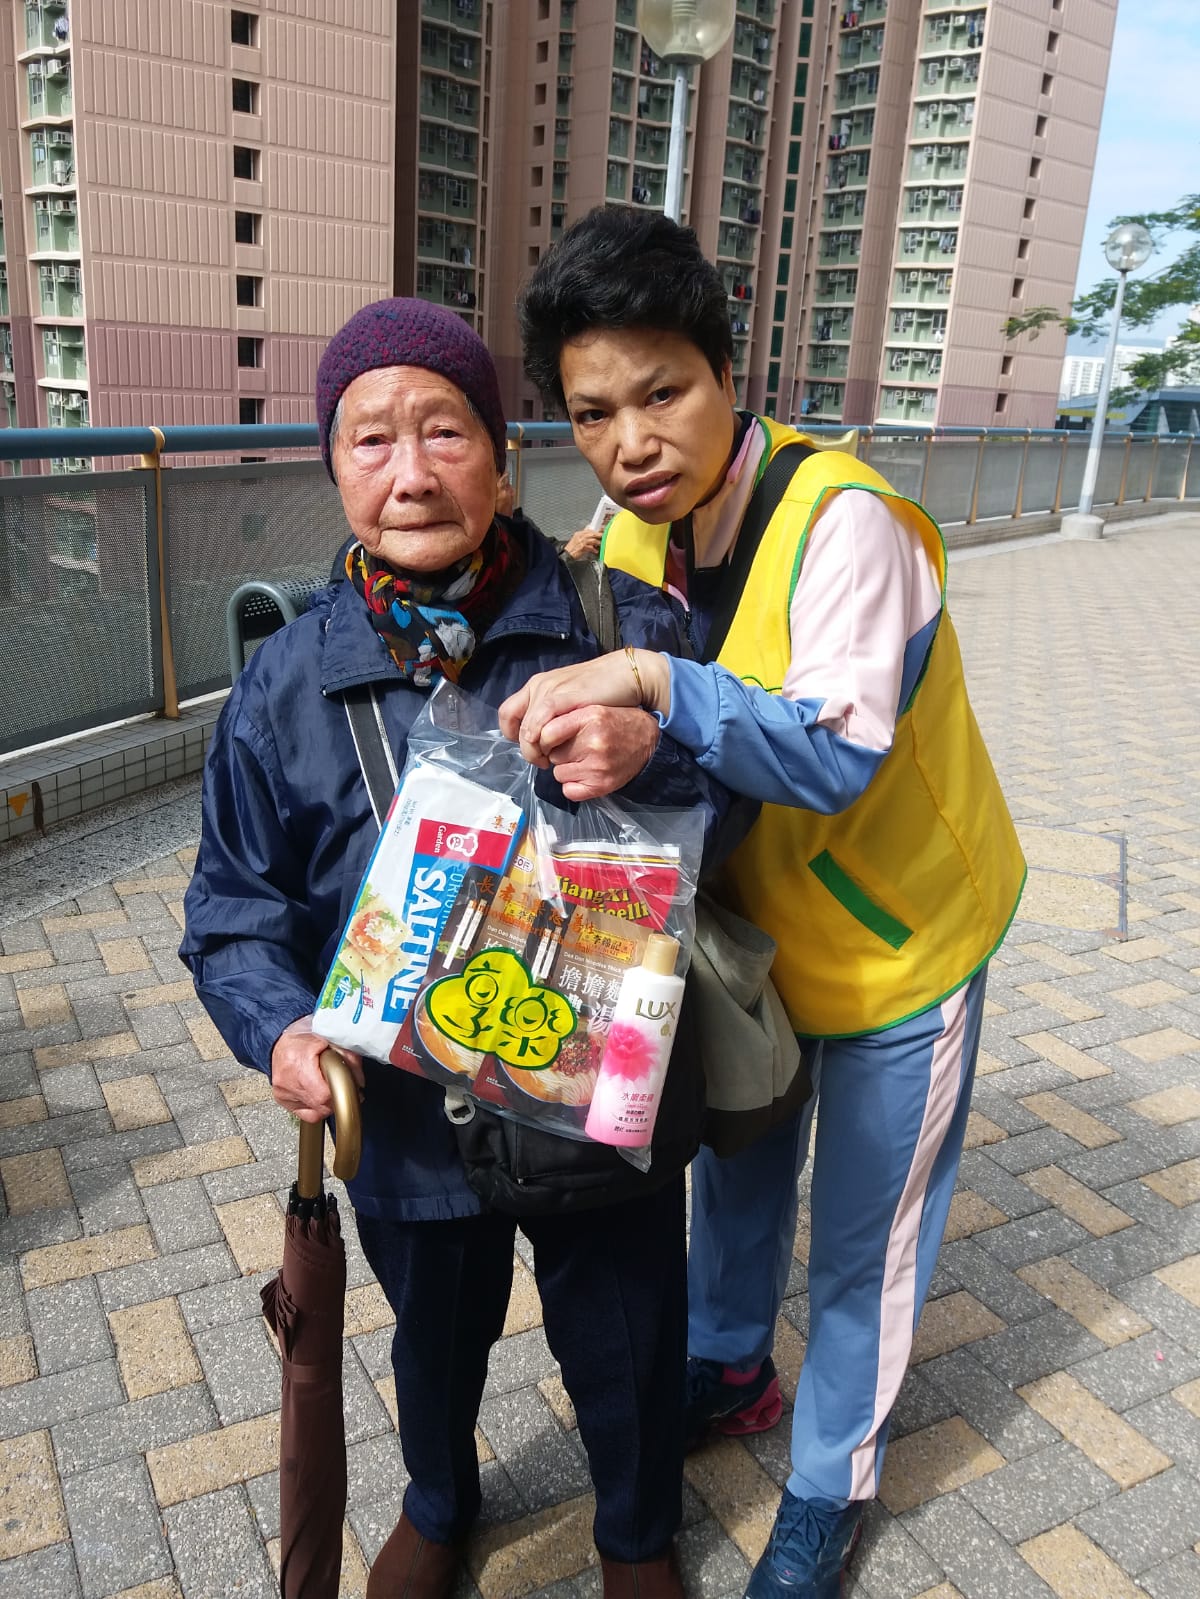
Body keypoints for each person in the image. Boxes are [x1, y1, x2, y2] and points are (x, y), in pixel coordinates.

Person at [502, 208, 1026, 1599]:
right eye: (593, 413)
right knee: (736, 1176)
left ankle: (831, 1483)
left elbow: (835, 752)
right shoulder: (624, 535)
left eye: (663, 393)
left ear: (729, 373)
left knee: (864, 1237)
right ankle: (732, 1370)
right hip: (752, 949)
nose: (632, 443)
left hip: (902, 945)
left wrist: (654, 685)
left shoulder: (845, 522)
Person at [181, 297, 731, 1599]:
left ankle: (637, 1533)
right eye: (371, 439)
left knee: (626, 1330)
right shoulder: (284, 681)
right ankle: (440, 1499)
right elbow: (236, 908)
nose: (411, 472)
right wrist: (280, 1029)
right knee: (431, 1338)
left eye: (444, 431)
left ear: (500, 454)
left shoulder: (623, 624)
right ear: (334, 467)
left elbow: (736, 807)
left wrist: (661, 754)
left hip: (596, 1087)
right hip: (405, 1111)